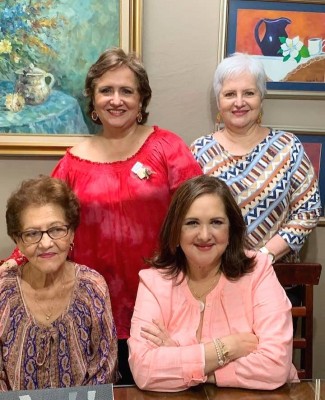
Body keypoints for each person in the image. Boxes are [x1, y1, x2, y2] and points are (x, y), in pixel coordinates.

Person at [1, 48, 202, 384]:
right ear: (92, 100)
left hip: (161, 303)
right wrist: (12, 264)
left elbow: (200, 217)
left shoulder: (168, 148)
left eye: (127, 90)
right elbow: (46, 225)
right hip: (90, 308)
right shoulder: (72, 163)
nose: (116, 100)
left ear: (142, 100)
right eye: (106, 90)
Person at [128, 175, 298, 392]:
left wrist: (182, 363)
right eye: (192, 223)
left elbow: (275, 366)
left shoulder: (258, 271)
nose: (205, 235)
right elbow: (145, 370)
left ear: (231, 230)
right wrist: (227, 348)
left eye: (216, 222)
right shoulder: (154, 282)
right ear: (175, 230)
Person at [190, 52, 321, 307]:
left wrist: (265, 255)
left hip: (276, 282)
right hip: (212, 284)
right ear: (219, 100)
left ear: (262, 97)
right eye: (230, 94)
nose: (239, 102)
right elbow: (188, 217)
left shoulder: (287, 147)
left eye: (249, 93)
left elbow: (309, 210)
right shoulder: (198, 151)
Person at [0, 176, 118, 391]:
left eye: (56, 230)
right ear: (18, 240)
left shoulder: (92, 287)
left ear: (71, 232)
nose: (46, 243)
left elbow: (104, 369)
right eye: (32, 233)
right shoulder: (3, 291)